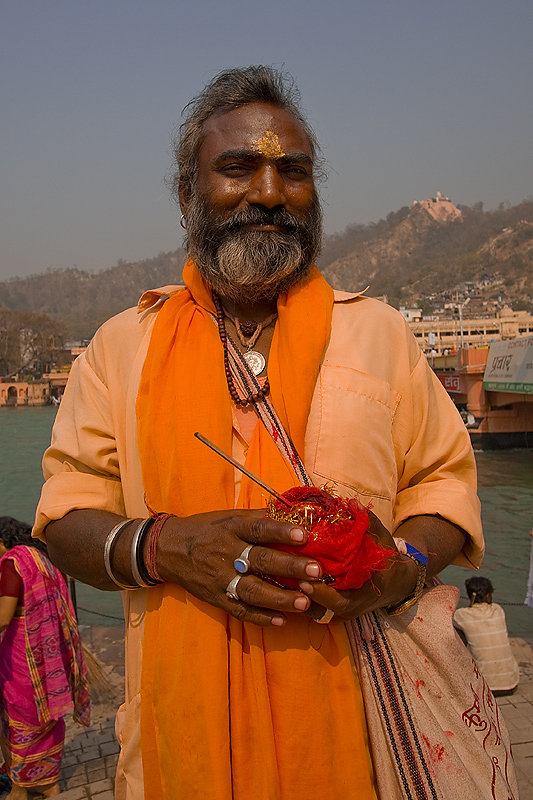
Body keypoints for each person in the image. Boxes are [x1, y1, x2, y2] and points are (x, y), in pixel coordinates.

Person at [32, 66, 506, 799]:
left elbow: (443, 482)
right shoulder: (120, 345)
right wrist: (166, 544)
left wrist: (402, 566)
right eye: (237, 167)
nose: (267, 191)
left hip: (363, 738)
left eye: (293, 171)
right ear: (188, 194)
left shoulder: (376, 333)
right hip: (175, 747)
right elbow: (63, 519)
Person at [0, 517, 90, 800]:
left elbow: (3, 617)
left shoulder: (13, 564)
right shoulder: (42, 559)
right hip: (52, 654)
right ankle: (50, 783)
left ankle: (20, 787)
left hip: (23, 655)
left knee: (21, 716)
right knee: (48, 717)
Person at [454, 576, 519, 694]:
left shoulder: (461, 615)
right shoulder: (498, 610)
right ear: (488, 595)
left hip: (486, 687)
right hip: (511, 683)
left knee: (458, 632)